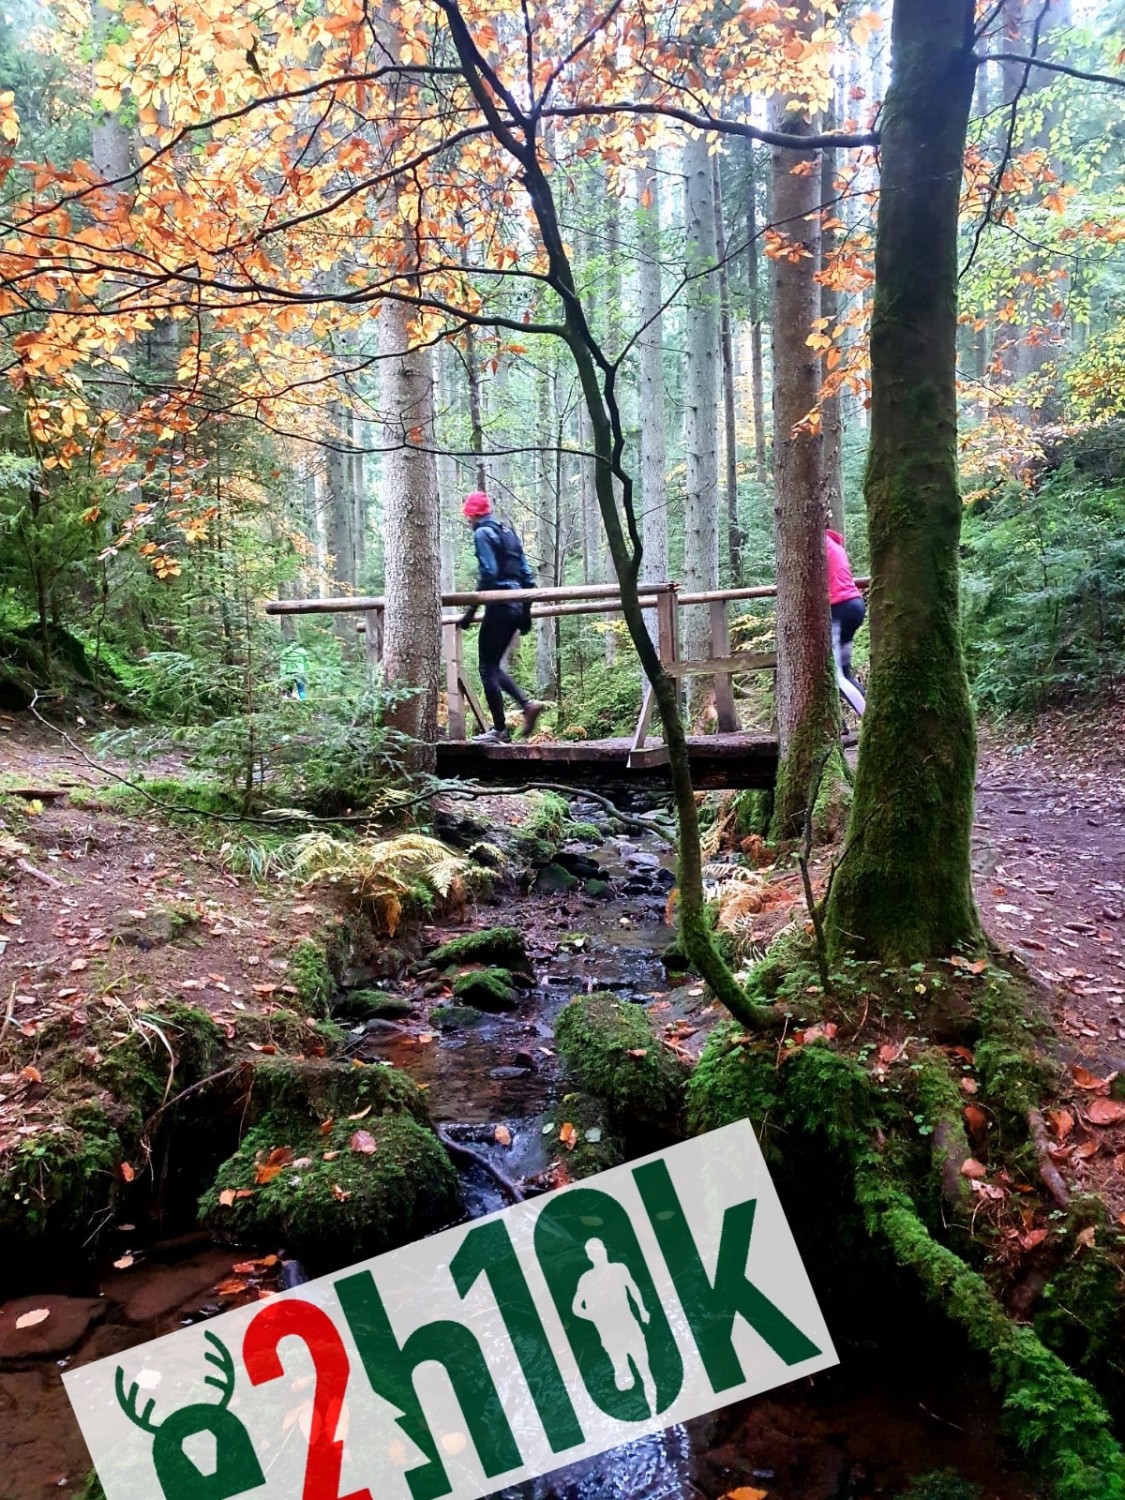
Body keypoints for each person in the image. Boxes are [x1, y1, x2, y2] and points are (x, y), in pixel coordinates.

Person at [459, 491, 544, 743]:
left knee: (486, 668)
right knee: (493, 665)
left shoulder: (482, 534)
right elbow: (527, 577)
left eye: (467, 515)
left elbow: (489, 573)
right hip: (516, 605)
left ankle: (499, 729)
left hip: (500, 605)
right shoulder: (509, 534)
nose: (467, 520)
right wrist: (525, 613)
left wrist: (471, 611)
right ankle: (526, 705)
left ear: (473, 514)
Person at [571, 1238, 658, 1416]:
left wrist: (642, 1310)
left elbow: (633, 1288)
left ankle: (654, 1411)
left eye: (600, 1249)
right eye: (593, 1252)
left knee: (645, 1371)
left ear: (605, 1250)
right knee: (624, 1377)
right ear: (589, 1256)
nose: (598, 1253)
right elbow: (576, 1307)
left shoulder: (619, 1269)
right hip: (609, 1334)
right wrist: (594, 1316)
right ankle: (630, 1404)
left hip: (629, 1326)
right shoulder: (586, 1279)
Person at [825, 527, 866, 716]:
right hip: (853, 605)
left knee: (838, 677)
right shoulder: (833, 544)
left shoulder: (817, 545)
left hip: (840, 608)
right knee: (844, 673)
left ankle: (873, 723)